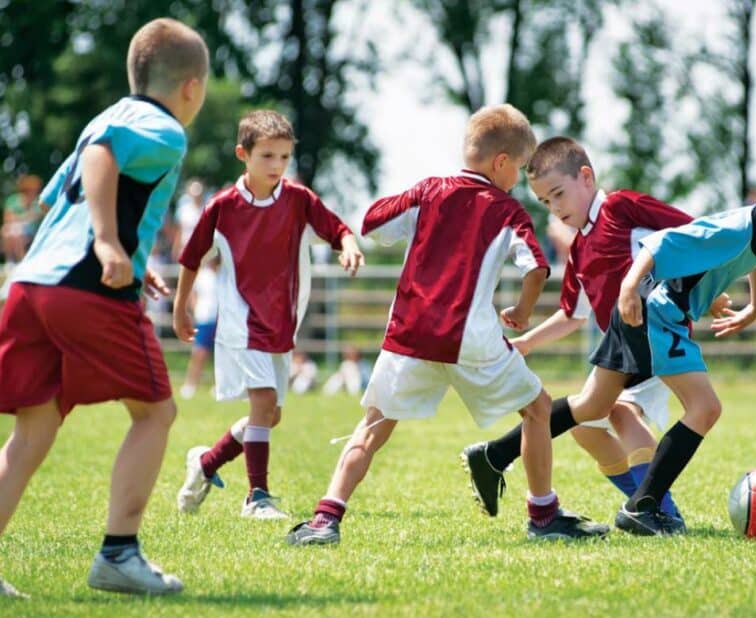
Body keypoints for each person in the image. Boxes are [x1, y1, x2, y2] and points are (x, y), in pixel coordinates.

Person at [284, 104, 608, 546]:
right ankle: (543, 515)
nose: (518, 181)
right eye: (518, 170)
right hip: (471, 341)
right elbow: (536, 267)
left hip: (409, 338)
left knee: (374, 425)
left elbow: (373, 222)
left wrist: (421, 194)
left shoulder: (429, 190)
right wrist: (521, 311)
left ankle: (326, 518)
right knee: (537, 408)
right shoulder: (508, 210)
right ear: (501, 163)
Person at [465, 165, 756, 536]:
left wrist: (755, 306)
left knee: (592, 406)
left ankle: (494, 455)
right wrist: (628, 286)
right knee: (705, 408)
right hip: (660, 315)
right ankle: (644, 505)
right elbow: (660, 243)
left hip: (643, 312)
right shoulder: (736, 228)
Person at [0, 18, 208, 597]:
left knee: (33, 430)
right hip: (84, 289)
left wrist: (129, 260)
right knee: (156, 414)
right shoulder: (163, 131)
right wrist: (107, 243)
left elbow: (55, 198)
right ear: (192, 87)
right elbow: (100, 159)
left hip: (31, 284)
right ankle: (119, 554)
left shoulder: (108, 114)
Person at [463, 136, 718, 519]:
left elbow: (696, 235)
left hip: (658, 333)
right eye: (546, 202)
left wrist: (709, 290)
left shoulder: (622, 207)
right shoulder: (581, 248)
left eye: (559, 194)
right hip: (626, 343)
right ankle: (498, 455)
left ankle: (657, 509)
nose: (555, 208)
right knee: (586, 424)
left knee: (617, 414)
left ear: (586, 177)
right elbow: (573, 314)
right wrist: (526, 343)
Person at [173, 109, 363, 520]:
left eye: (283, 157)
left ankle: (205, 464)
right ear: (243, 154)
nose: (277, 166)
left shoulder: (299, 199)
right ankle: (256, 496)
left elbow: (339, 230)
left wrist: (348, 246)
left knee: (270, 414)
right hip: (241, 322)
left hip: (281, 323)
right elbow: (190, 259)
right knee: (263, 402)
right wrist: (180, 310)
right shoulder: (222, 207)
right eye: (267, 156)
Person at [179, 256, 219, 400]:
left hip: (221, 319)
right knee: (199, 353)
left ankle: (219, 386)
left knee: (220, 356)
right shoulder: (203, 275)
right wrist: (196, 310)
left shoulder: (224, 274)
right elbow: (193, 295)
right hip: (205, 318)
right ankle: (190, 384)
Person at [2, 174, 43, 265]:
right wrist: (24, 218)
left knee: (17, 231)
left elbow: (36, 217)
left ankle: (20, 260)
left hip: (31, 231)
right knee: (7, 231)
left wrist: (18, 218)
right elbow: (7, 218)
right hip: (13, 229)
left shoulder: (38, 202)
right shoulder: (12, 200)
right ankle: (10, 261)